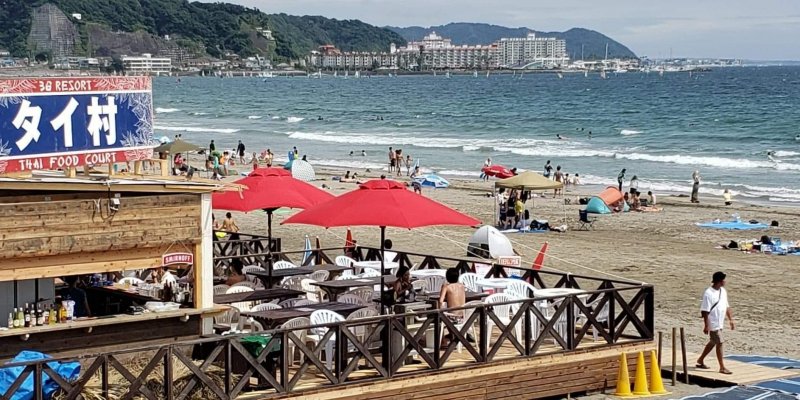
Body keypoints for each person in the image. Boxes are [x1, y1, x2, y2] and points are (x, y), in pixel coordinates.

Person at [696, 271, 735, 375]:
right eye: (723, 280)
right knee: (720, 342)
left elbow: (726, 306)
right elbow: (705, 310)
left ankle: (700, 360)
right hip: (712, 322)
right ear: (720, 281)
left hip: (720, 322)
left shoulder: (723, 291)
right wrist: (706, 325)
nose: (725, 281)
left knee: (713, 341)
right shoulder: (708, 293)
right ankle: (722, 367)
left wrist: (730, 319)